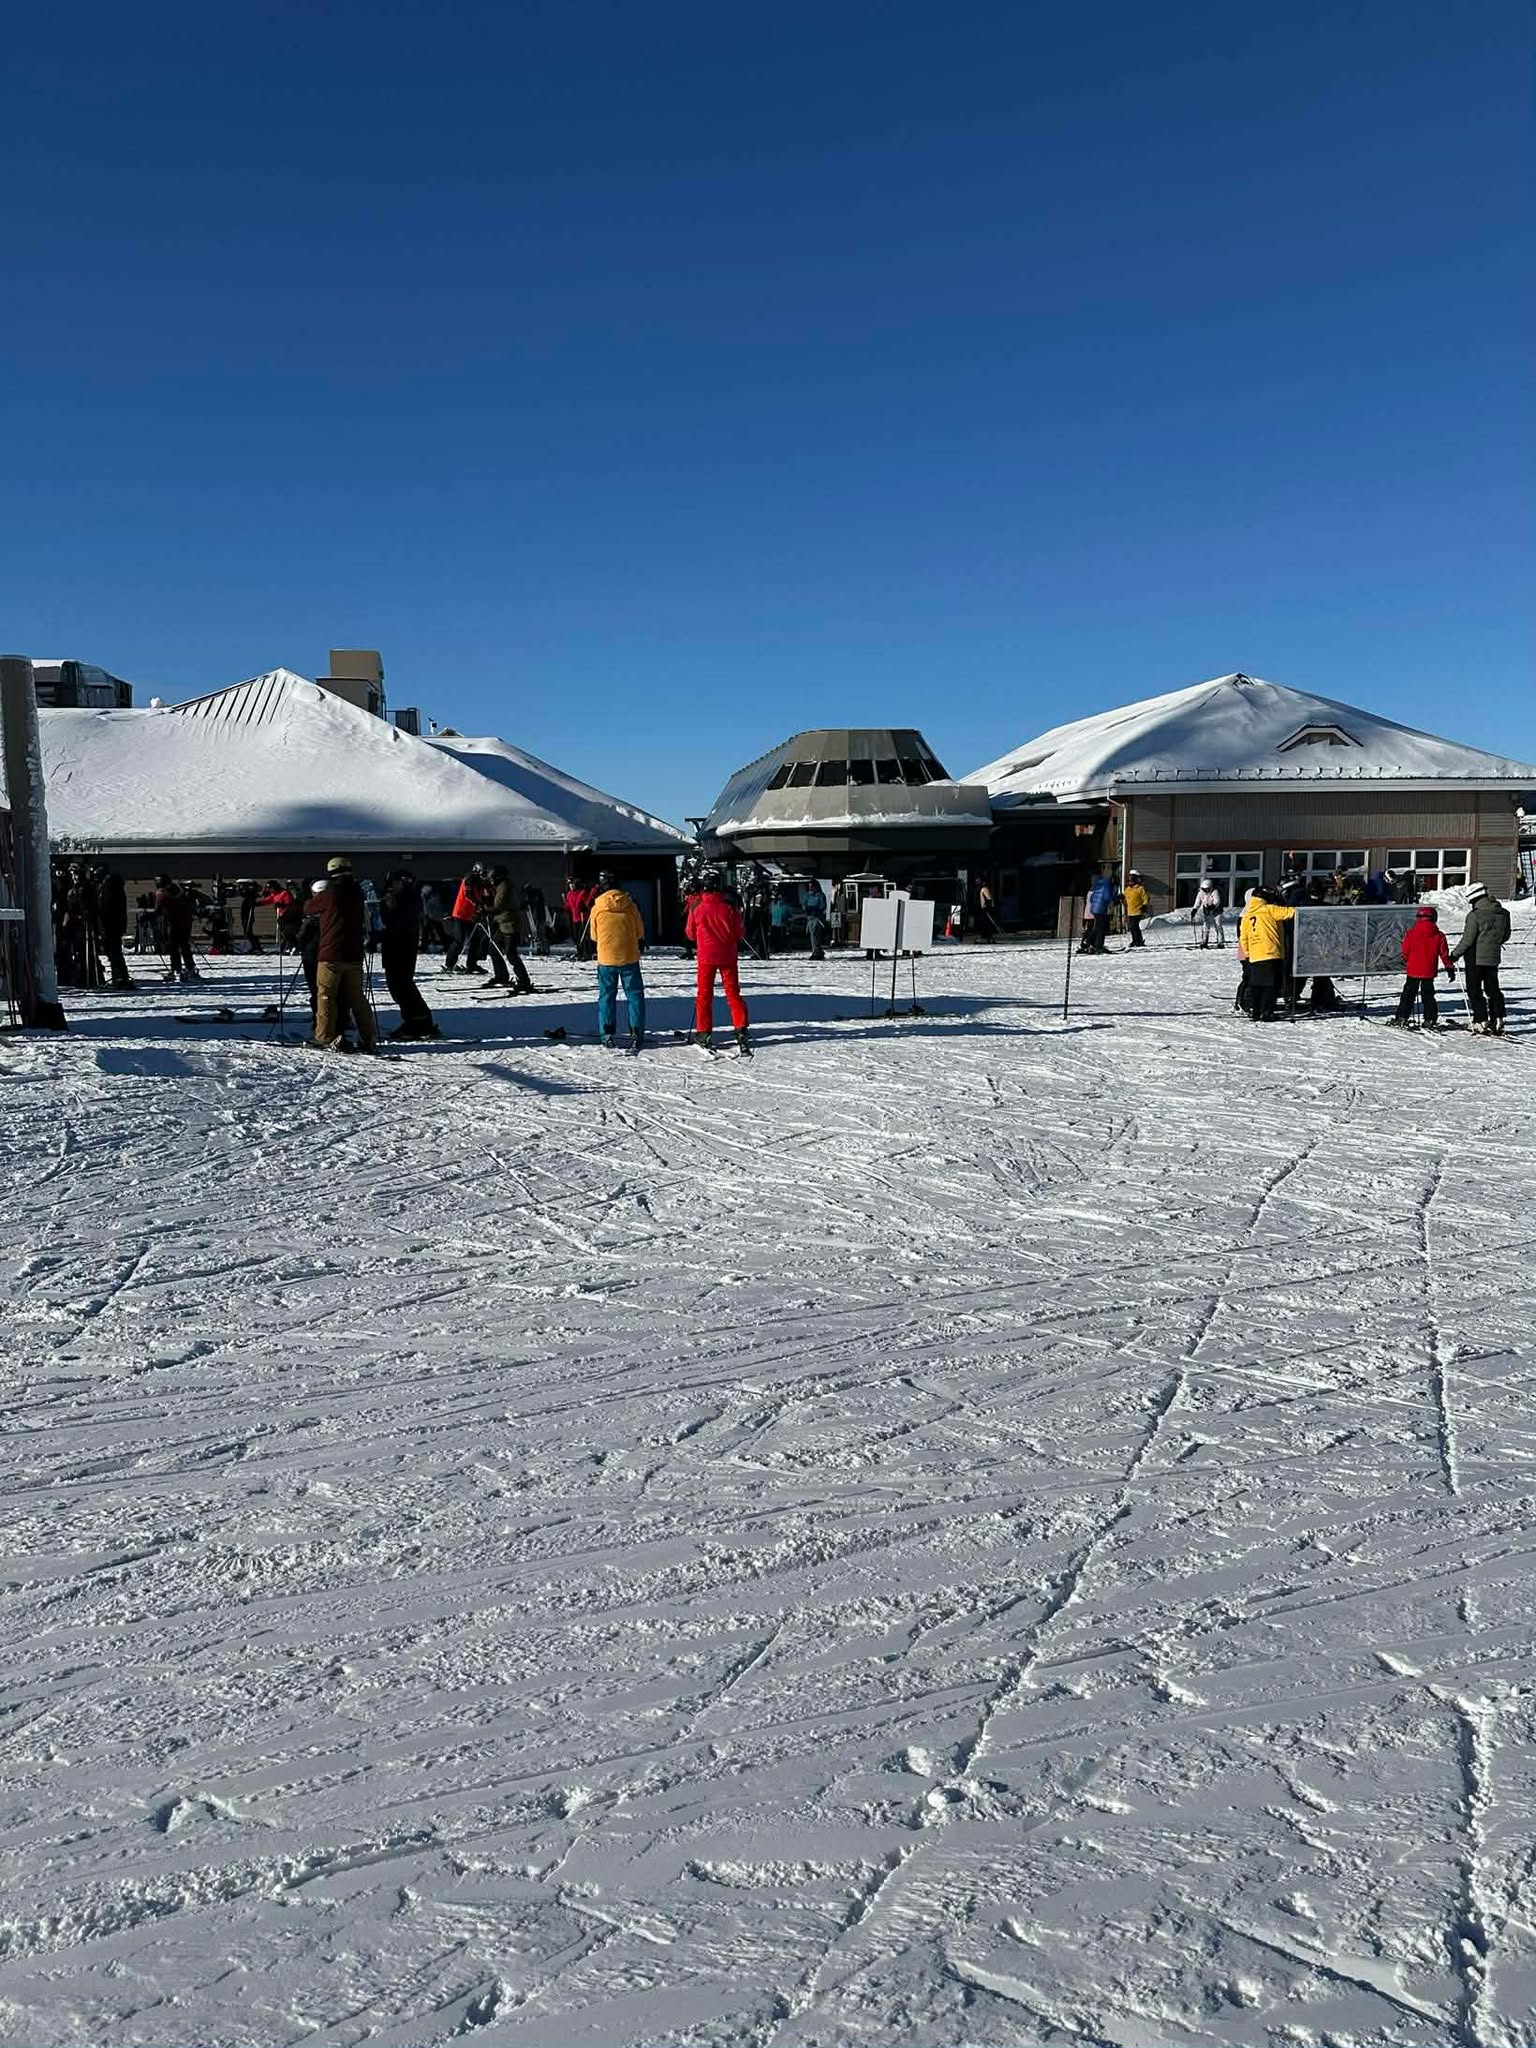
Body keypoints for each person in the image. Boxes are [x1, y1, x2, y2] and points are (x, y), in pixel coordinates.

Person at [306, 856, 377, 1052]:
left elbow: (308, 908)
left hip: (331, 954)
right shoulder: (357, 892)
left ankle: (324, 1037)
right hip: (354, 954)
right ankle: (369, 1037)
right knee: (357, 998)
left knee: (326, 996)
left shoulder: (329, 893)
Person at [687, 872, 751, 1055]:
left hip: (706, 956)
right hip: (727, 955)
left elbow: (690, 933)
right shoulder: (729, 906)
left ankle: (704, 1032)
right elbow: (739, 932)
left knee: (704, 995)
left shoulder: (696, 906)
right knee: (733, 993)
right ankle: (740, 1029)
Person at [379, 869, 441, 1040]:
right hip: (394, 948)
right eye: (391, 884)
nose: (393, 887)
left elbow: (397, 925)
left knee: (403, 986)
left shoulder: (409, 899)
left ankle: (420, 1021)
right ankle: (413, 1020)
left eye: (396, 883)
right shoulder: (395, 898)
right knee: (397, 987)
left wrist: (382, 931)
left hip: (403, 948)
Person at [589, 870, 646, 1051]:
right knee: (634, 996)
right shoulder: (631, 906)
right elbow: (640, 933)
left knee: (606, 996)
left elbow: (594, 935)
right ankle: (636, 1032)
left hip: (606, 959)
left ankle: (607, 1033)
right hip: (629, 957)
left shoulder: (597, 907)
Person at [1449, 883, 1510, 1036]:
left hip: (1475, 957)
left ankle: (1481, 1020)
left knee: (1475, 990)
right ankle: (1498, 1018)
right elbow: (1506, 935)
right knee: (1493, 989)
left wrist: (1454, 955)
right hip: (1493, 956)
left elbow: (1467, 940)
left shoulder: (1475, 915)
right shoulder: (1503, 913)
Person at [1238, 886, 1295, 1022]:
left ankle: (1255, 1011)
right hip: (1271, 953)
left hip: (1255, 956)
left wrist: (1247, 954)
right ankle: (1267, 1012)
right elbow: (1291, 912)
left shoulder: (1247, 915)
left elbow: (1243, 937)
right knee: (1271, 986)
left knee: (1257, 985)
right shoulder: (1270, 909)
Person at [1391, 904, 1454, 1028]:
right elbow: (1444, 954)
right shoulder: (1439, 935)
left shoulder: (1411, 933)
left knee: (1408, 995)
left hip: (1413, 969)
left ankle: (1402, 1017)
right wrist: (1449, 968)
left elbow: (1405, 951)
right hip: (1429, 970)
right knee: (1428, 996)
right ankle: (1430, 1019)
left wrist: (1407, 960)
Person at [485, 865, 535, 992]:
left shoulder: (505, 887)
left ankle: (524, 981)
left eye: (492, 878)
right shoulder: (500, 886)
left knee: (511, 954)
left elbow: (499, 906)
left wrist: (484, 911)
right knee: (493, 948)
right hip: (503, 923)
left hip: (510, 925)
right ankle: (501, 976)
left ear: (499, 877)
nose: (491, 880)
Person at [92, 865, 133, 989]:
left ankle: (120, 977)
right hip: (111, 924)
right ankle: (119, 976)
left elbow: (107, 906)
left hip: (111, 925)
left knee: (114, 952)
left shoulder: (110, 887)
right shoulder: (108, 886)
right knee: (113, 952)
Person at [443, 866, 490, 972]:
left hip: (471, 915)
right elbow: (468, 894)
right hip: (461, 914)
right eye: (482, 873)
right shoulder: (469, 879)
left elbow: (484, 895)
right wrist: (478, 904)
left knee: (475, 940)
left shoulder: (481, 882)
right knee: (459, 940)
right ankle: (449, 965)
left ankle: (472, 964)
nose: (483, 876)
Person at [155, 875, 199, 983]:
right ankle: (190, 967)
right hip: (186, 921)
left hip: (174, 922)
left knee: (173, 946)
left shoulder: (162, 893)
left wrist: (148, 915)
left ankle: (176, 969)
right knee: (184, 945)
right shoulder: (180, 891)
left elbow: (158, 909)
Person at [1085, 870, 1118, 953]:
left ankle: (1090, 941)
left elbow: (1092, 897)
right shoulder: (1107, 885)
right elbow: (1107, 897)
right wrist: (1115, 898)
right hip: (1101, 908)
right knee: (1101, 928)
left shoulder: (1099, 884)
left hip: (1094, 908)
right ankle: (1098, 945)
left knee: (1097, 927)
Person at [1191, 877, 1225, 948]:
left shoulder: (1215, 891)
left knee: (1218, 925)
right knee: (1206, 926)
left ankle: (1220, 942)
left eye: (1208, 889)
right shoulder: (1200, 893)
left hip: (1217, 911)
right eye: (1205, 889)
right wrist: (1194, 910)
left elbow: (1217, 901)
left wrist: (1213, 906)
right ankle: (1204, 941)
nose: (1206, 890)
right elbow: (1198, 902)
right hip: (1207, 910)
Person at [1122, 870, 1150, 947]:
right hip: (1130, 911)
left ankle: (1137, 941)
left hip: (1138, 910)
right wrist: (1120, 897)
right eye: (1129, 881)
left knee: (1134, 926)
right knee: (1133, 927)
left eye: (1131, 881)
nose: (1130, 883)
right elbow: (1124, 895)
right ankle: (1137, 940)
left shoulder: (1140, 888)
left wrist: (1144, 905)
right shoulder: (1128, 889)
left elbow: (1146, 898)